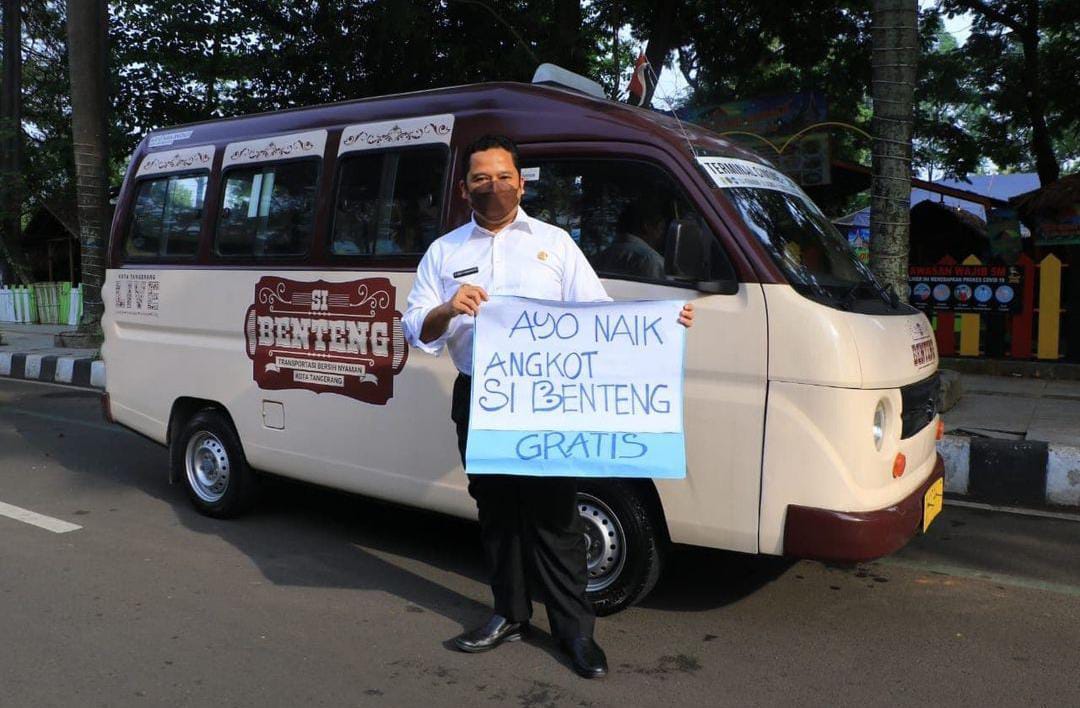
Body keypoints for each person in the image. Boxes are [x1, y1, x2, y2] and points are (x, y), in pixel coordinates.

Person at [402, 134, 694, 680]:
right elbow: (416, 329)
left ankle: (575, 633)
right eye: (481, 179)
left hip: (547, 403)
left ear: (521, 181)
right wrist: (447, 308)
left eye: (503, 176)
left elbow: (599, 315)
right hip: (481, 399)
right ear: (465, 188)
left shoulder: (555, 244)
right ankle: (508, 614)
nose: (494, 186)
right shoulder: (445, 253)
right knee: (497, 515)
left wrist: (658, 323)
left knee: (556, 515)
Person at [598, 197, 668, 280]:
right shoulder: (652, 261)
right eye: (661, 228)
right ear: (647, 226)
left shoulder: (600, 257)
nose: (662, 235)